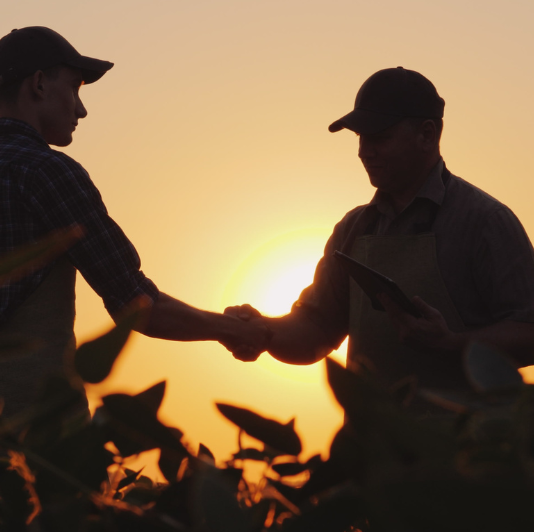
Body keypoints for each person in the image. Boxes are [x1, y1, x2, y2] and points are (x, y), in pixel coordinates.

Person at [0, 26, 269, 422]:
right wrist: (234, 329)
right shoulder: (48, 173)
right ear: (39, 84)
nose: (81, 109)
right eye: (75, 89)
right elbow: (137, 305)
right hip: (38, 444)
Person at [227, 67, 534, 404]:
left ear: (427, 134)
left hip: (469, 451)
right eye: (360, 138)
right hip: (372, 451)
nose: (364, 151)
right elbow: (314, 333)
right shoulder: (353, 229)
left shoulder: (485, 221)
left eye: (379, 137)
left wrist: (451, 343)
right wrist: (261, 331)